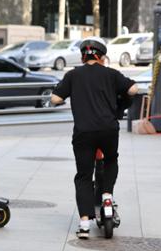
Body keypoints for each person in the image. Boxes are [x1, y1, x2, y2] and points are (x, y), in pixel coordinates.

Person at [50, 37, 138, 239]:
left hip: (84, 132)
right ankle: (107, 196)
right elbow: (133, 89)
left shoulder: (73, 75)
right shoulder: (111, 74)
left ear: (83, 57)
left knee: (83, 175)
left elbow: (55, 99)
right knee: (111, 160)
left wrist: (67, 94)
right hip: (108, 130)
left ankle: (84, 225)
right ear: (102, 57)